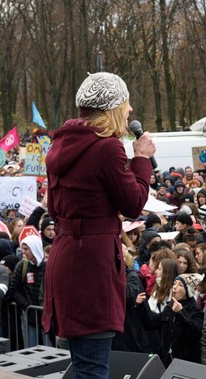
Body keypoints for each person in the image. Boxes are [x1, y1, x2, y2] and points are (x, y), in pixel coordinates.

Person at [42, 72, 156, 379]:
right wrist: (142, 160)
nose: (130, 110)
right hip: (92, 266)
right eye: (125, 103)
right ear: (112, 108)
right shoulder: (107, 147)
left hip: (67, 257)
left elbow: (55, 208)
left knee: (82, 365)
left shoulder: (61, 144)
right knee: (93, 369)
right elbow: (133, 204)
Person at [9, 235, 48, 347]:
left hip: (47, 316)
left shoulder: (48, 265)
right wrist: (27, 306)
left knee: (50, 349)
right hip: (30, 315)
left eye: (26, 249)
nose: (23, 252)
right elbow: (14, 290)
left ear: (35, 248)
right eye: (22, 248)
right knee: (31, 348)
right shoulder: (22, 266)